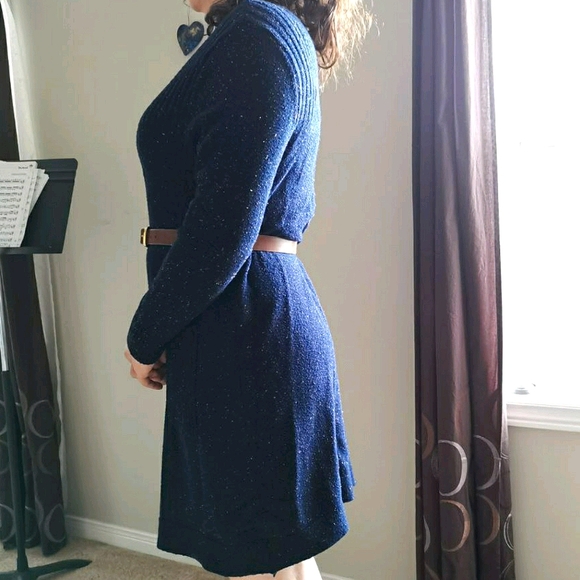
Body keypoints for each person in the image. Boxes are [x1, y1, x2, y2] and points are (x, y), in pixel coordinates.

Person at [124, 0, 371, 578]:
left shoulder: (258, 33)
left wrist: (144, 335)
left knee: (266, 562)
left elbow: (221, 229)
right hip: (239, 325)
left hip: (246, 334)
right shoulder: (257, 34)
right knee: (280, 564)